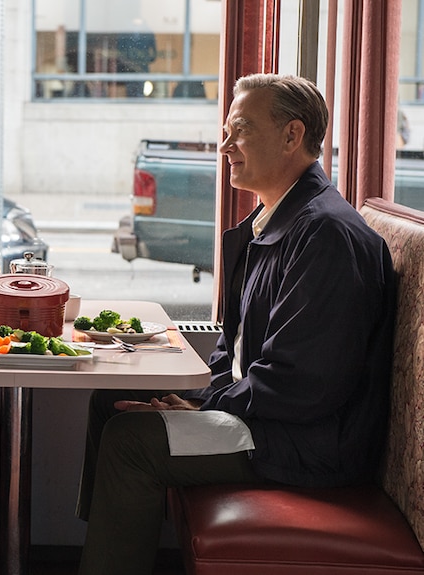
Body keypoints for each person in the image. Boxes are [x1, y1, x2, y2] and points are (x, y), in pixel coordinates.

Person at [76, 73, 396, 575]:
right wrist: (202, 399)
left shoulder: (327, 236)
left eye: (240, 130)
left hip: (305, 443)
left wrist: (208, 404)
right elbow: (234, 345)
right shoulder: (271, 224)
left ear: (292, 136)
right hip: (269, 419)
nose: (225, 145)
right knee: (109, 402)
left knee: (131, 439)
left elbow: (302, 384)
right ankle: (105, 550)